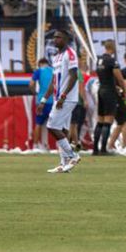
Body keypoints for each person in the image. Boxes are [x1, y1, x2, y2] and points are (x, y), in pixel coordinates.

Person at [44, 30, 82, 173]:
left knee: (52, 126)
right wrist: (43, 100)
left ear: (66, 39)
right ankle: (63, 163)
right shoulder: (56, 56)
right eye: (54, 37)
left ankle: (73, 155)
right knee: (62, 130)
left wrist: (63, 96)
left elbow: (74, 76)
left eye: (58, 37)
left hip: (66, 98)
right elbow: (53, 81)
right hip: (58, 98)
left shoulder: (70, 53)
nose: (55, 39)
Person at [93, 40, 126, 156]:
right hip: (109, 92)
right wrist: (124, 91)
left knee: (100, 120)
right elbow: (119, 78)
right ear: (113, 48)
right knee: (108, 121)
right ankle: (103, 149)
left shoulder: (99, 60)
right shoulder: (112, 61)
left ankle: (95, 149)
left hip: (101, 90)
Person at [29, 57, 54, 151]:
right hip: (52, 100)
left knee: (38, 123)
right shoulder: (54, 70)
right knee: (56, 125)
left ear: (40, 64)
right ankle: (57, 146)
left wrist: (34, 92)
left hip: (41, 101)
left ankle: (35, 145)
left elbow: (31, 84)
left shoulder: (38, 71)